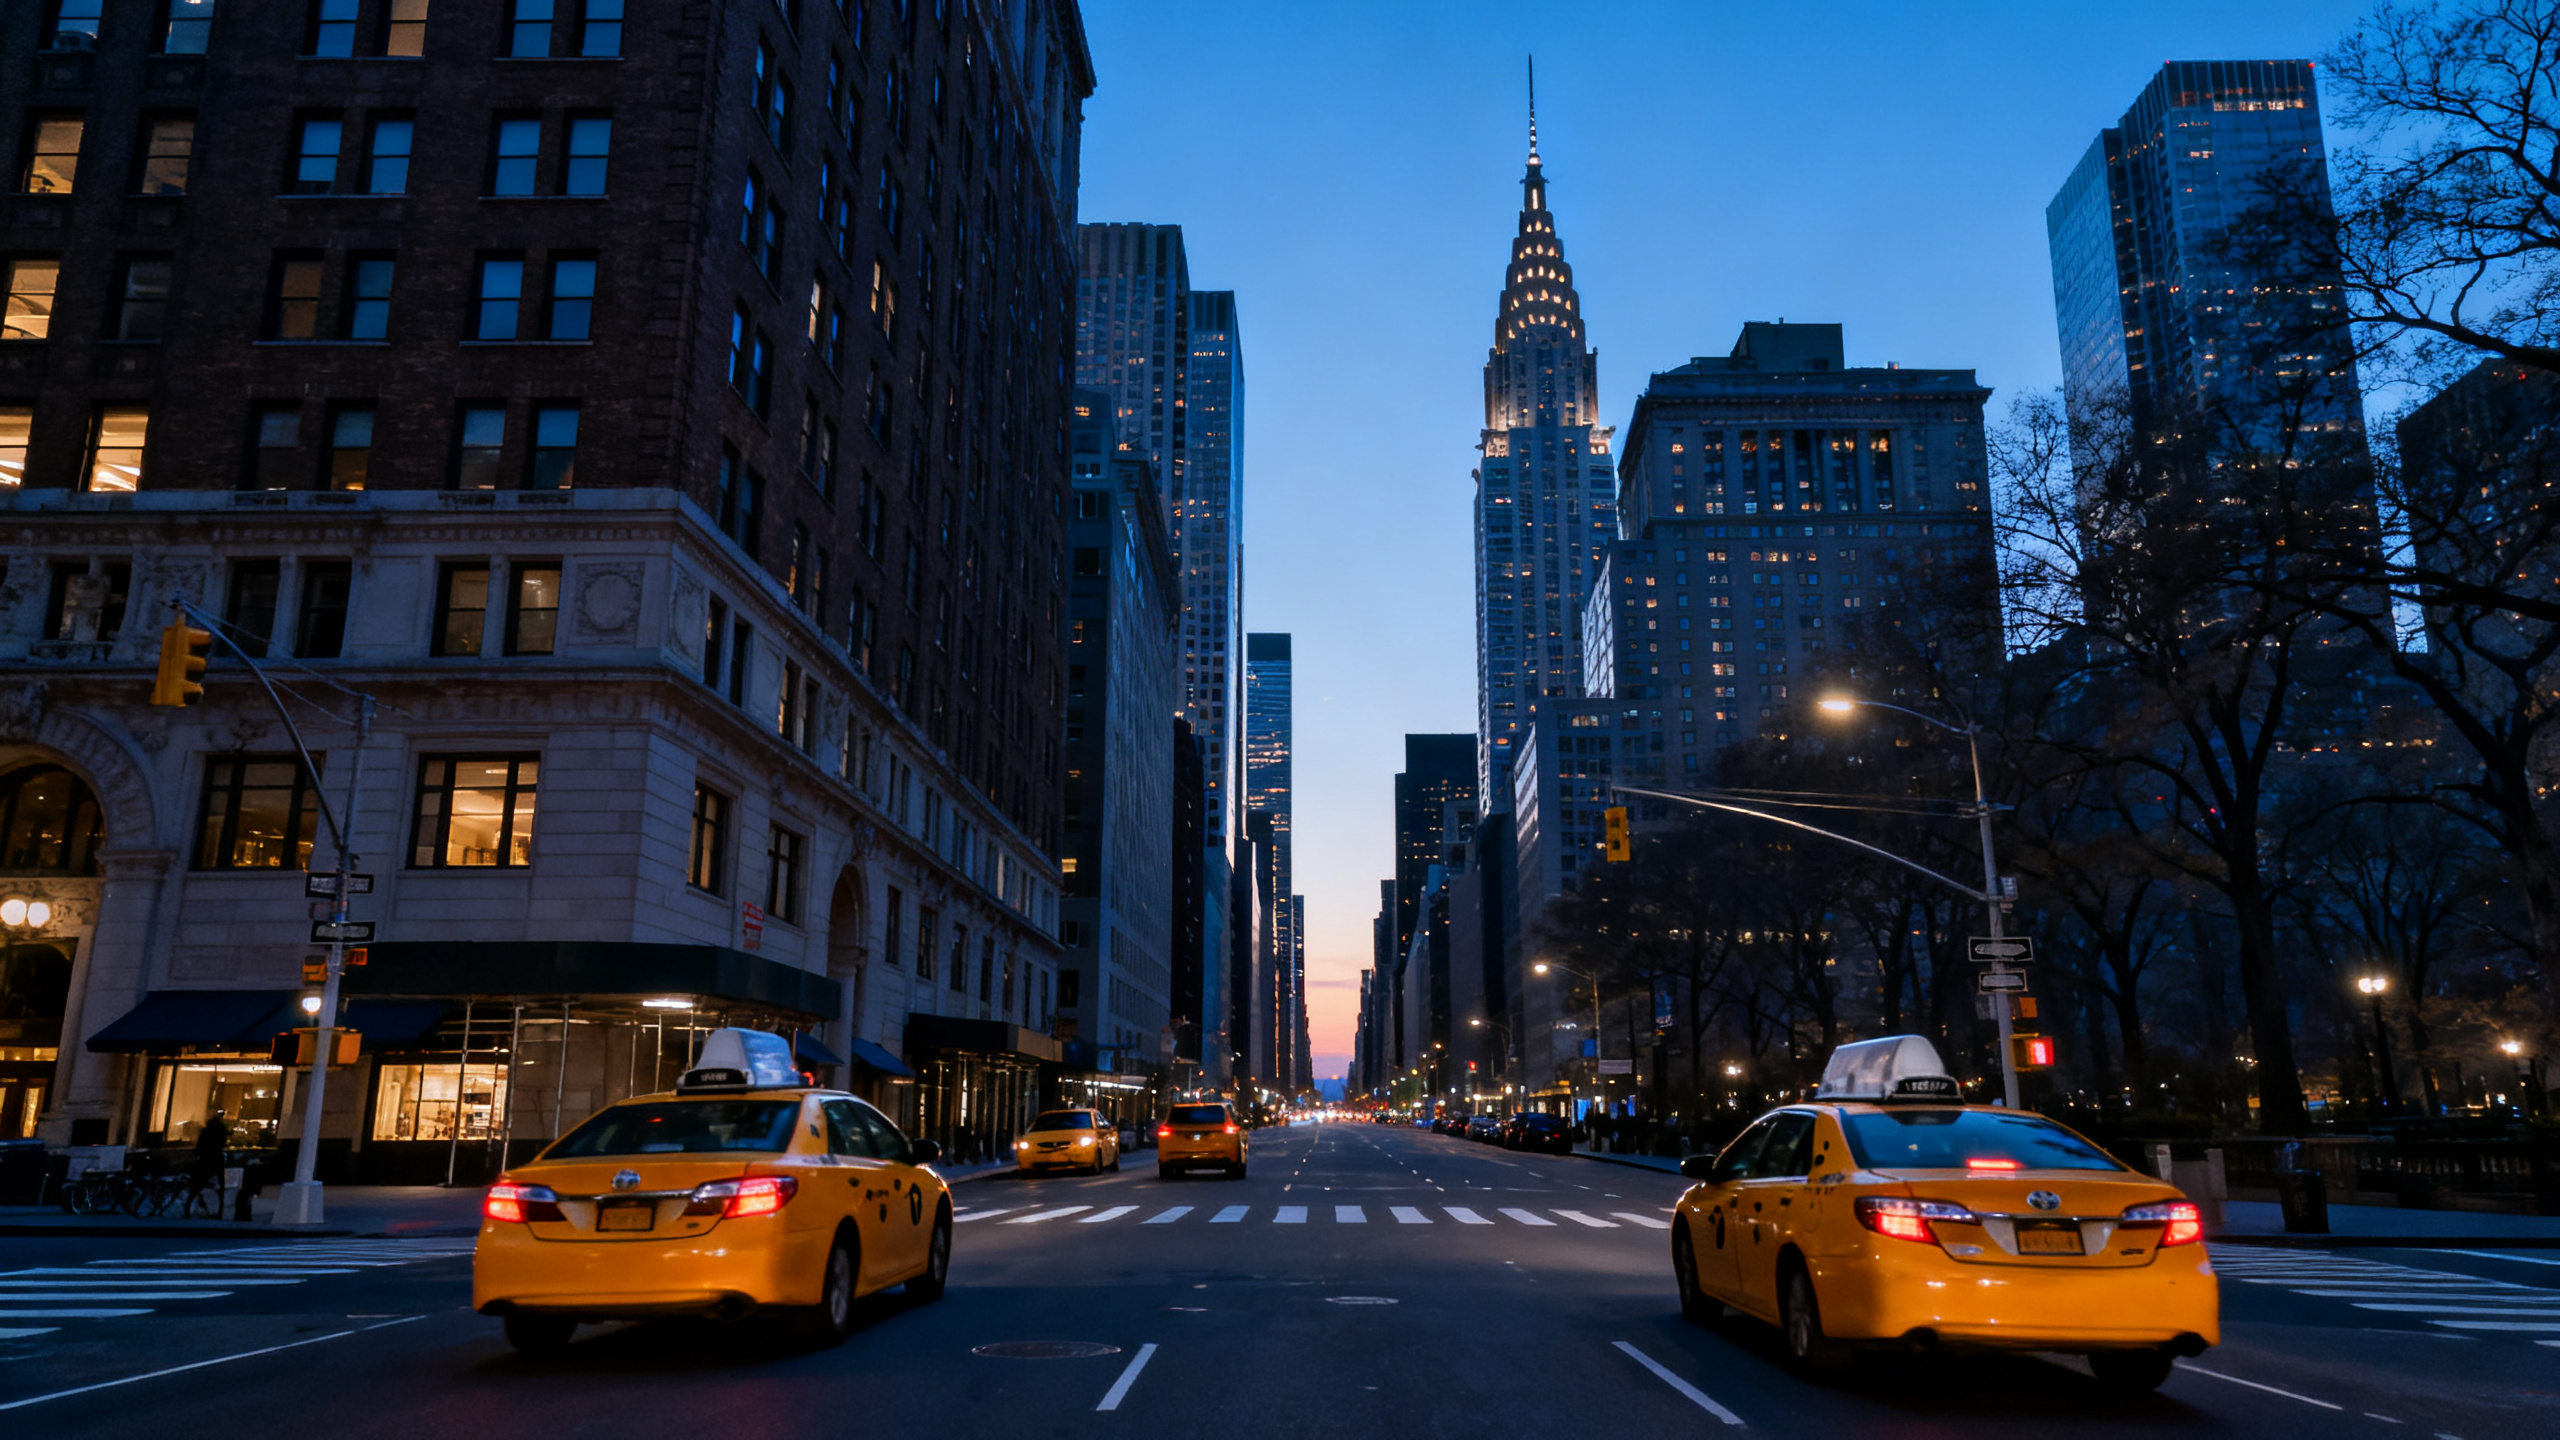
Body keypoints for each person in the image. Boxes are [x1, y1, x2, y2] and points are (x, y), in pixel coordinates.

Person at [193, 1109, 231, 1186]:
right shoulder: (221, 1130)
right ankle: (221, 1195)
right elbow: (224, 1143)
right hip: (217, 1159)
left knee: (199, 1182)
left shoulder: (206, 1131)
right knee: (220, 1182)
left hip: (206, 1159)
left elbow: (200, 1145)